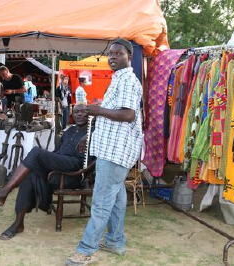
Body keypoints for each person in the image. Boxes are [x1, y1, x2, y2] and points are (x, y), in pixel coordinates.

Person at [66, 38, 143, 265]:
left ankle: (85, 249)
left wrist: (98, 110)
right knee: (116, 197)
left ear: (129, 56)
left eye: (118, 53)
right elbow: (114, 113)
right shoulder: (118, 79)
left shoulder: (128, 80)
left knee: (101, 201)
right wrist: (92, 129)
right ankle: (115, 241)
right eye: (110, 54)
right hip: (111, 149)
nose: (112, 57)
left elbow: (128, 114)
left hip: (115, 152)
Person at [0, 104, 89, 240]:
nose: (79, 114)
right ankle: (18, 223)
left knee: (36, 152)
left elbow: (92, 159)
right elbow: (57, 152)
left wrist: (89, 133)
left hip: (75, 169)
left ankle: (4, 191)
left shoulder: (94, 132)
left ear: (89, 114)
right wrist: (46, 162)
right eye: (76, 112)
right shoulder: (69, 131)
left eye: (83, 112)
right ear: (72, 114)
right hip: (61, 164)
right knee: (30, 174)